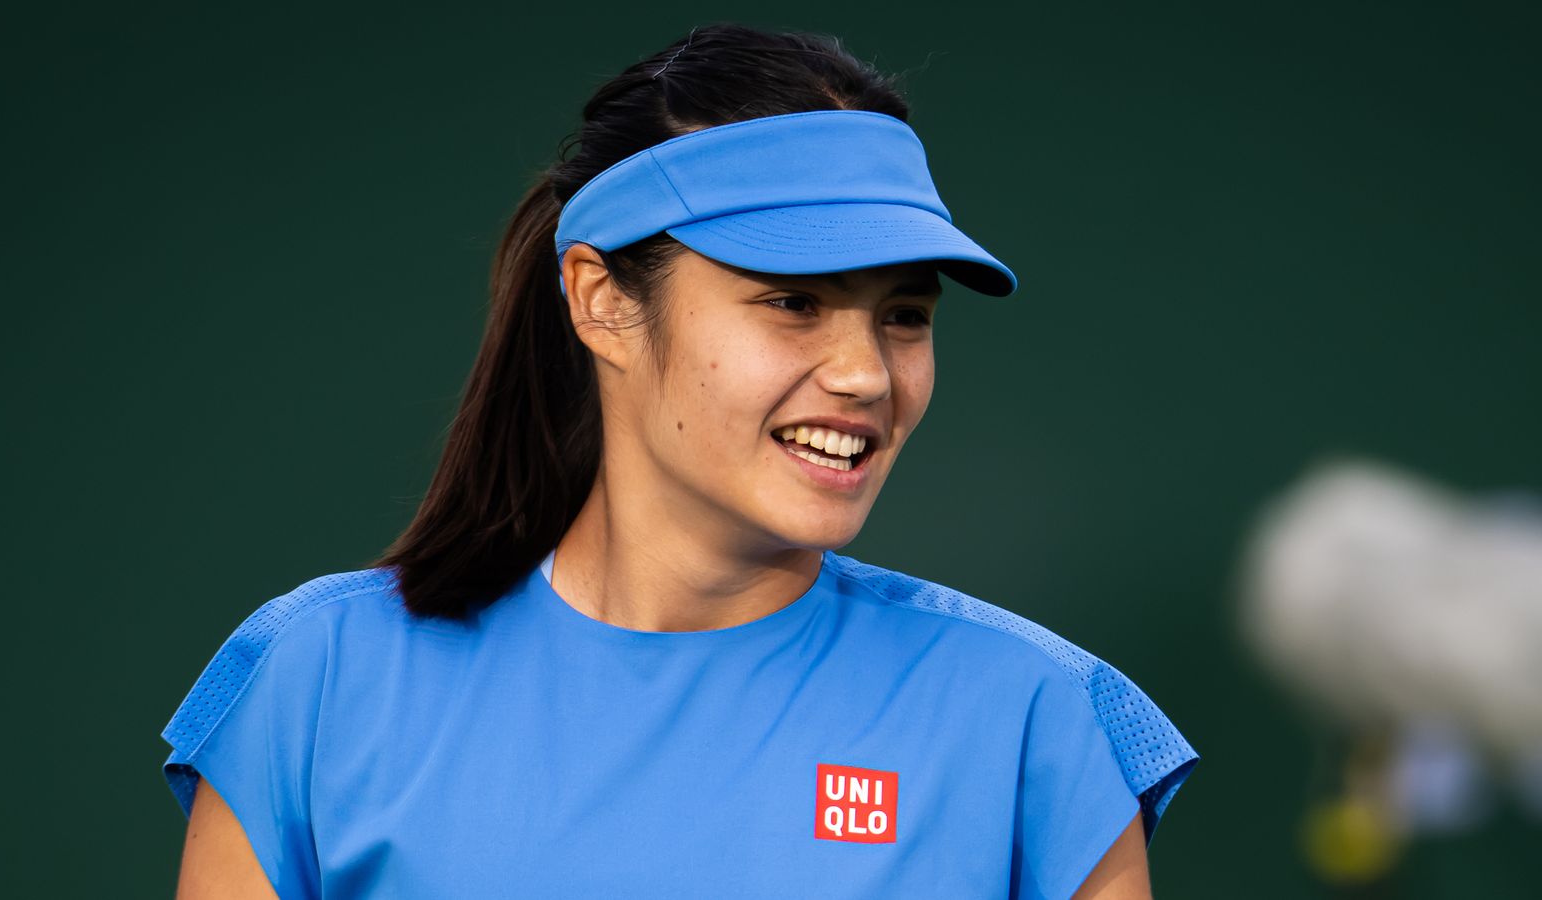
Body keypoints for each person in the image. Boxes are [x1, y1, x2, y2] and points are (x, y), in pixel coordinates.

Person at [161, 22, 1199, 900]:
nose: (865, 375)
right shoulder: (318, 682)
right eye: (793, 300)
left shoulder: (1037, 721)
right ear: (601, 301)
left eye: (904, 315)